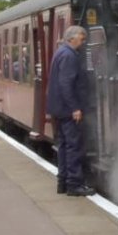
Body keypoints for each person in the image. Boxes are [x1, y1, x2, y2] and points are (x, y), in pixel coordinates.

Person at [48, 26, 92, 196]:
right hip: (68, 110)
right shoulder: (69, 55)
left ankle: (63, 183)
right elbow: (66, 84)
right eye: (81, 39)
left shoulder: (61, 52)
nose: (83, 42)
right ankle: (74, 184)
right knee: (73, 147)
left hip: (60, 108)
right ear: (72, 38)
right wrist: (75, 107)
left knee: (65, 146)